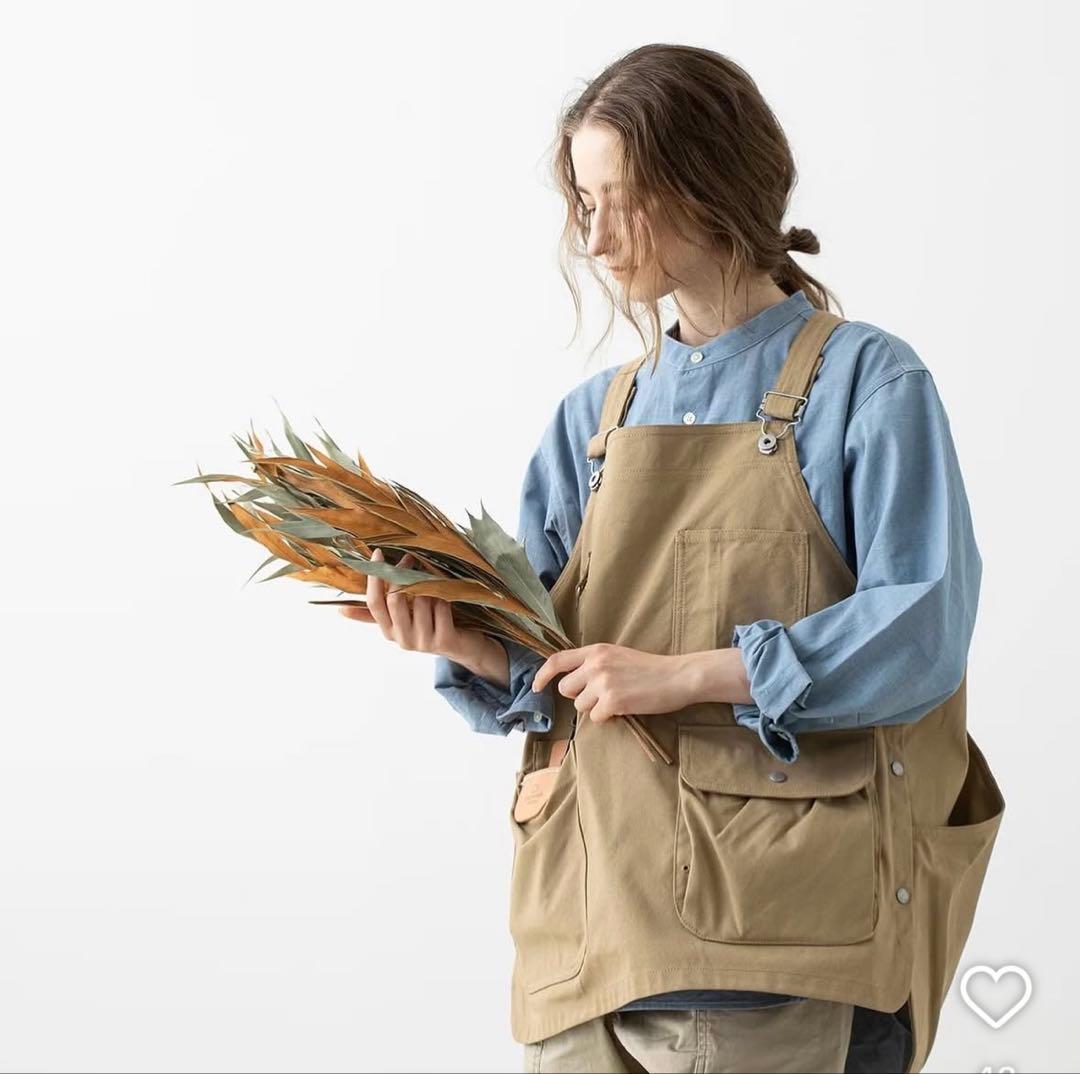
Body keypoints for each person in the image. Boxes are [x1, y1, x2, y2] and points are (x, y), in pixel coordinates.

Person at [342, 44, 1005, 1074]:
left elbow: (920, 628)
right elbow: (564, 670)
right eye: (584, 203)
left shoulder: (865, 384)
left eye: (623, 199)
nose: (596, 237)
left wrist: (687, 674)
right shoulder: (591, 422)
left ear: (710, 184)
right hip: (583, 939)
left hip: (769, 943)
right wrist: (469, 646)